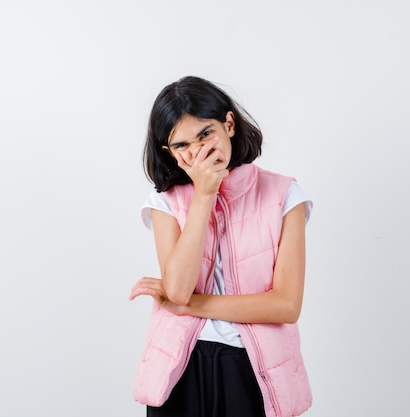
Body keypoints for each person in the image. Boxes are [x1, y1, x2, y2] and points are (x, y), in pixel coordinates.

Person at [129, 76, 313, 417]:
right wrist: (203, 195)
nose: (197, 151)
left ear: (229, 124)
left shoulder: (284, 195)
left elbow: (286, 305)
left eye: (205, 133)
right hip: (178, 368)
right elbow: (179, 290)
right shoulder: (165, 201)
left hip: (254, 370)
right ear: (170, 153)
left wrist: (191, 306)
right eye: (182, 145)